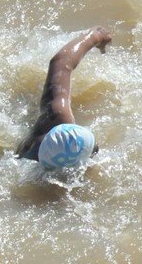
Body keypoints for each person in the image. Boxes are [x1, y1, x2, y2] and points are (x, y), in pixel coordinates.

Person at [16, 26, 112, 170]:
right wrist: (95, 37)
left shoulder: (54, 118)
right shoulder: (59, 118)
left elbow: (59, 64)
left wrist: (95, 36)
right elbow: (60, 64)